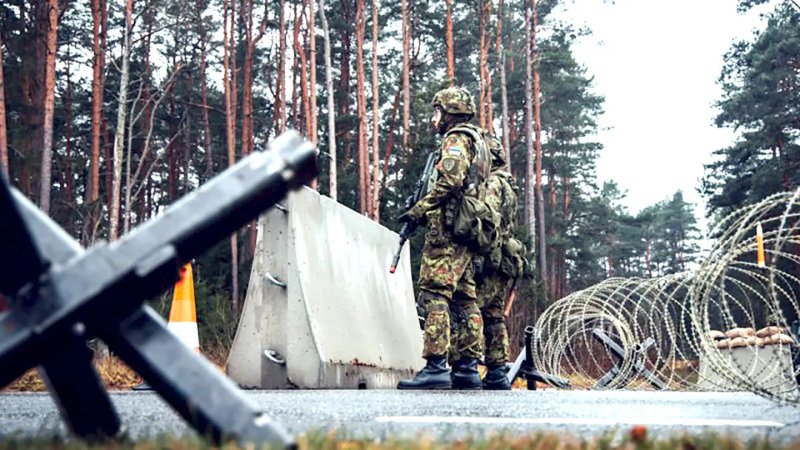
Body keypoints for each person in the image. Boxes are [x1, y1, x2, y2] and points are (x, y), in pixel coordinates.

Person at [396, 86, 486, 390]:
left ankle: (435, 366)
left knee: (435, 293)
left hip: (448, 231)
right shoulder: (477, 140)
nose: (435, 119)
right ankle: (467, 368)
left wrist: (419, 210)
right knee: (464, 299)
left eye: (438, 112)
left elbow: (450, 179)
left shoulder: (457, 139)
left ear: (450, 112)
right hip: (464, 231)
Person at [477, 137, 520, 390]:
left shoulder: (493, 183)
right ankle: (496, 370)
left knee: (471, 308)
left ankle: (468, 365)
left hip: (490, 255)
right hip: (503, 256)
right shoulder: (509, 186)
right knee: (494, 315)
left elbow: (487, 216)